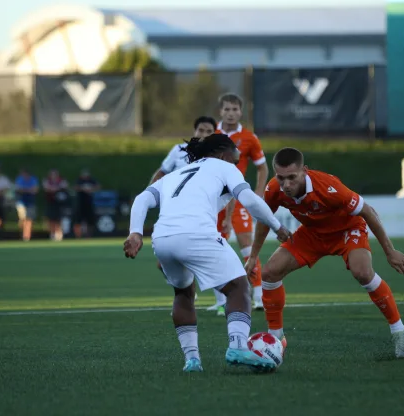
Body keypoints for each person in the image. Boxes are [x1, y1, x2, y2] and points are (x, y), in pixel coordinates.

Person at [124, 133, 292, 373]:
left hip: (162, 239)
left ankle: (192, 360)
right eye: (235, 158)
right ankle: (237, 346)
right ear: (224, 155)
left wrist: (135, 233)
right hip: (196, 234)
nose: (237, 163)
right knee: (238, 286)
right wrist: (278, 226)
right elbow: (251, 201)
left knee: (183, 292)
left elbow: (142, 198)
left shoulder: (177, 174)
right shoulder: (225, 167)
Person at [245, 147, 404, 359]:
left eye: (292, 177)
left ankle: (399, 330)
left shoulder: (329, 187)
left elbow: (368, 211)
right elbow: (264, 220)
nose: (286, 184)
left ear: (304, 171)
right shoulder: (273, 190)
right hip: (312, 234)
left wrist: (390, 251)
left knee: (362, 272)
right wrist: (253, 257)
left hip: (347, 229)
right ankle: (276, 337)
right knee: (269, 272)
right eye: (281, 178)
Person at [149, 116, 218, 307]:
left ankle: (221, 300)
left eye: (208, 131)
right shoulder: (178, 151)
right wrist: (151, 194)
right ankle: (187, 288)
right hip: (173, 210)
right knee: (162, 262)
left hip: (200, 213)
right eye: (201, 130)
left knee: (196, 256)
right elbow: (162, 171)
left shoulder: (217, 155)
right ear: (194, 131)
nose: (204, 134)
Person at [211, 93, 269, 316]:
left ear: (241, 112)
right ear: (220, 111)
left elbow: (262, 167)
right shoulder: (212, 134)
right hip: (215, 201)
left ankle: (258, 296)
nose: (231, 113)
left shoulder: (249, 138)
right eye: (227, 109)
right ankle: (220, 300)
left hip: (238, 199)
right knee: (216, 249)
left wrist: (259, 191)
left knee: (248, 247)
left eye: (235, 109)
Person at [43, 169, 70, 241]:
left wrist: (55, 189)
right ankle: (52, 233)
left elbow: (64, 187)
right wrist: (56, 188)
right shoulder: (47, 181)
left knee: (59, 219)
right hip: (51, 202)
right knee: (51, 219)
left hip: (59, 203)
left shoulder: (61, 180)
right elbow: (47, 188)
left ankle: (59, 233)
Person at [74, 169, 100, 238]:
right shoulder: (79, 180)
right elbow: (75, 187)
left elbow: (98, 186)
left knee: (90, 221)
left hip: (89, 203)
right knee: (78, 220)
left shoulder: (91, 180)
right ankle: (78, 235)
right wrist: (83, 188)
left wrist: (91, 189)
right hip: (80, 203)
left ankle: (89, 235)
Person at [15, 169, 39, 242]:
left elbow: (35, 190)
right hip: (21, 202)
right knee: (23, 219)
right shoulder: (19, 179)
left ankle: (27, 236)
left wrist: (25, 190)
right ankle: (22, 233)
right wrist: (29, 190)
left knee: (29, 219)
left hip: (30, 202)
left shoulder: (33, 179)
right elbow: (18, 189)